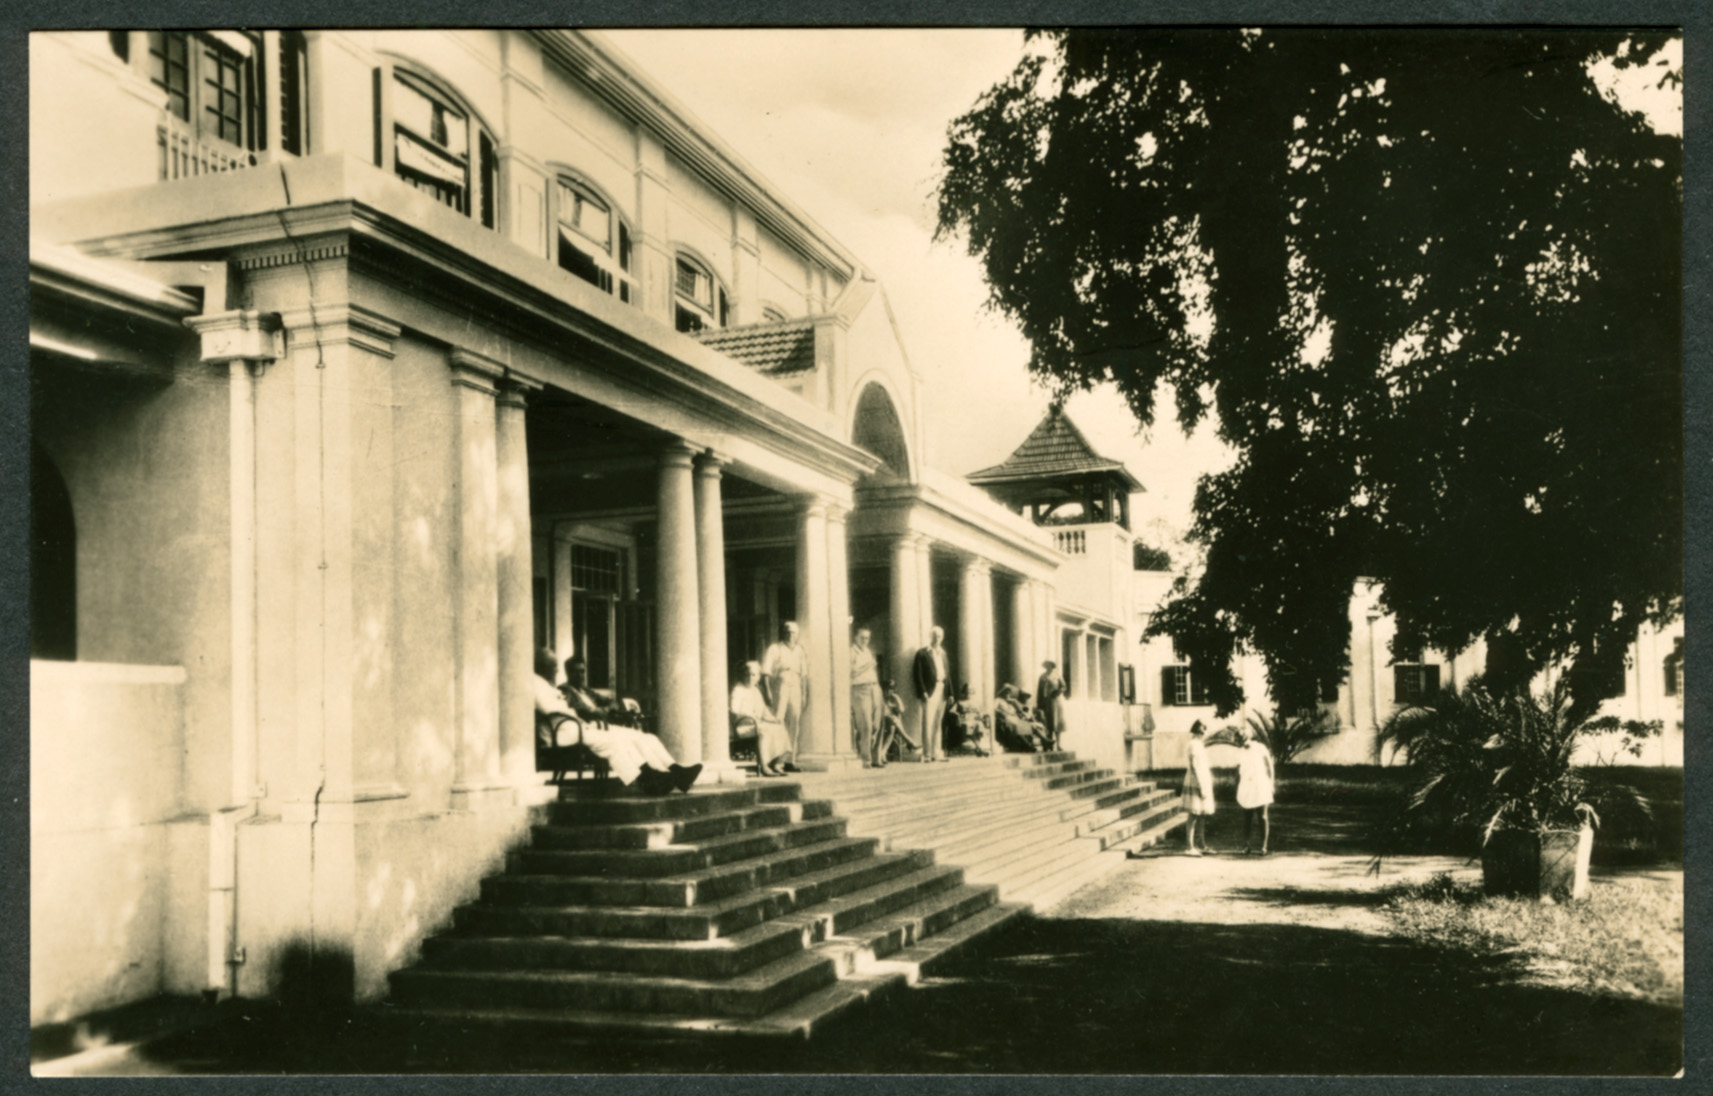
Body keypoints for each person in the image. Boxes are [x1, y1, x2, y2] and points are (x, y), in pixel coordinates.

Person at [534, 648, 698, 795]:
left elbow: (606, 703)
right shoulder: (543, 686)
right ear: (543, 668)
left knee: (638, 736)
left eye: (555, 666)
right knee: (614, 742)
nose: (556, 671)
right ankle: (647, 780)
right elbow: (557, 709)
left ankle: (671, 773)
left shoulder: (554, 687)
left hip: (577, 728)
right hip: (564, 733)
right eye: (552, 666)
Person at [730, 660, 791, 776]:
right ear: (742, 675)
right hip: (744, 726)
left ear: (758, 677)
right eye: (747, 674)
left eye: (753, 675)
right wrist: (750, 716)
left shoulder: (756, 690)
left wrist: (774, 719)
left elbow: (763, 711)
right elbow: (734, 709)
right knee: (764, 730)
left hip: (756, 724)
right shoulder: (738, 689)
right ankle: (764, 766)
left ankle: (777, 763)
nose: (750, 678)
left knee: (780, 727)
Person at [762, 621, 809, 771]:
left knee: (794, 720)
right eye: (788, 632)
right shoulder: (775, 649)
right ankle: (775, 761)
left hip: (795, 684)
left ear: (797, 635)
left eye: (794, 632)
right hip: (780, 684)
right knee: (778, 721)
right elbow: (765, 673)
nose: (791, 635)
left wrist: (804, 694)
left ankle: (790, 761)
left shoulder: (800, 651)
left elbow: (804, 676)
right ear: (783, 632)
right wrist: (768, 692)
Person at [562, 656, 640, 727]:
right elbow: (588, 712)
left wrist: (607, 709)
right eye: (576, 672)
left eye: (582, 671)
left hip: (601, 725)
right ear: (568, 673)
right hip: (587, 728)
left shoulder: (586, 690)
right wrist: (609, 710)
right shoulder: (565, 690)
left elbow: (611, 701)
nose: (580, 675)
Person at [1236, 726, 1276, 856]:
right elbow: (1240, 771)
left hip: (1261, 785)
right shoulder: (1240, 752)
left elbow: (1269, 766)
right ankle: (1246, 845)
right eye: (1240, 739)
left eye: (1243, 737)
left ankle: (1264, 846)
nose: (1242, 741)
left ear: (1249, 737)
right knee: (1246, 818)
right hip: (1246, 786)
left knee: (1262, 816)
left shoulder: (1260, 747)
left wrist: (1271, 783)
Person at [912, 625, 950, 762]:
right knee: (927, 722)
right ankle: (927, 754)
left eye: (939, 636)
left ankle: (937, 753)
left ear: (942, 638)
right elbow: (918, 674)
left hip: (942, 689)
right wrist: (922, 691)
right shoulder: (922, 653)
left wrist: (949, 693)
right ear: (930, 637)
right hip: (929, 691)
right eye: (934, 636)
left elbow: (947, 675)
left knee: (938, 723)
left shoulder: (943, 654)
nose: (936, 638)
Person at [1181, 720, 1215, 855]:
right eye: (1202, 731)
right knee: (1194, 814)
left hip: (1203, 779)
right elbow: (1194, 765)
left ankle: (1201, 845)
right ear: (1198, 731)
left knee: (1202, 814)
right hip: (1196, 780)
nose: (1204, 733)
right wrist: (1200, 784)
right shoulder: (1193, 744)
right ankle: (1189, 847)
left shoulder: (1199, 745)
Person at [850, 628, 883, 767]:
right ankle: (865, 758)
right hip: (860, 688)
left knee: (877, 724)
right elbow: (851, 672)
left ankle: (877, 758)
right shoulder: (851, 651)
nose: (865, 640)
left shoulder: (868, 651)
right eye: (862, 637)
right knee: (865, 725)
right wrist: (868, 665)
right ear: (855, 637)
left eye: (867, 638)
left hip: (874, 687)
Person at [992, 684, 1045, 753]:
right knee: (1017, 726)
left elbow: (1020, 711)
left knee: (1026, 725)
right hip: (1005, 718)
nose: (1008, 694)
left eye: (1009, 693)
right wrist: (1001, 712)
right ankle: (1027, 745)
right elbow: (993, 709)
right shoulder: (998, 700)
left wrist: (1014, 702)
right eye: (1006, 692)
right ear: (1002, 692)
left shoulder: (1010, 702)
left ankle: (1044, 740)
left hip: (1014, 718)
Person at [943, 684, 990, 756]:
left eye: (970, 691)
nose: (969, 693)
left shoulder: (977, 702)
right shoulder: (959, 702)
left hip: (975, 719)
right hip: (964, 720)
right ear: (964, 692)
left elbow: (982, 712)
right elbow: (951, 711)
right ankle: (979, 748)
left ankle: (978, 748)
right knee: (968, 725)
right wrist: (958, 715)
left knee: (979, 725)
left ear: (973, 692)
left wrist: (981, 715)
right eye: (967, 691)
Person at [876, 677, 915, 764]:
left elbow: (901, 710)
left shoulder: (892, 698)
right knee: (893, 721)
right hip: (879, 722)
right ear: (883, 689)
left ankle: (882, 753)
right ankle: (909, 741)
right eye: (888, 689)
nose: (890, 691)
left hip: (889, 724)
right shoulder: (879, 698)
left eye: (892, 689)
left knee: (892, 727)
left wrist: (897, 699)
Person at [1035, 660, 1067, 750]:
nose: (1048, 667)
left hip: (1055, 701)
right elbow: (1039, 691)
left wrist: (1057, 692)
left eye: (1049, 665)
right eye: (1046, 665)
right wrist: (1039, 703)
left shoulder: (1057, 675)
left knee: (1056, 723)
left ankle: (1058, 744)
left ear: (1052, 666)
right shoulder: (1042, 677)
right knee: (1047, 723)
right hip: (1046, 702)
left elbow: (1063, 686)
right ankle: (1049, 744)